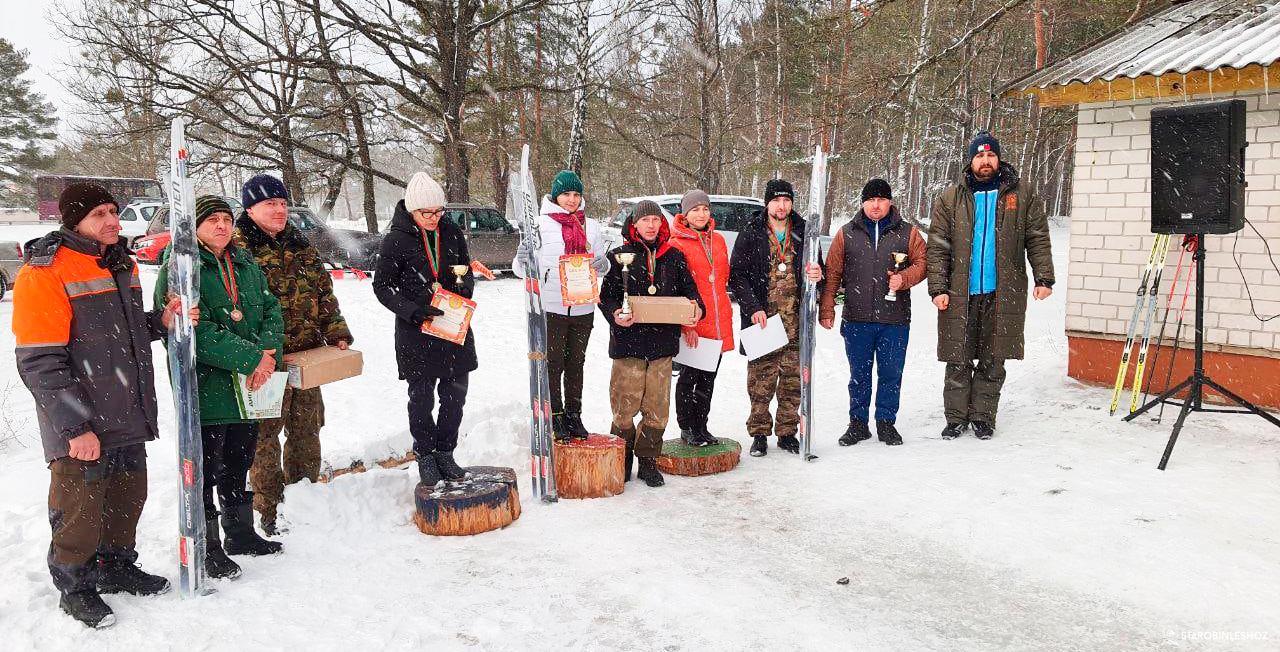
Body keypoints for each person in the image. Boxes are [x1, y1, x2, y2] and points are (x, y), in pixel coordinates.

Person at [13, 182, 192, 628]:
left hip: (125, 410)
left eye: (114, 211)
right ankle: (75, 588)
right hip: (82, 419)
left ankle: (116, 567)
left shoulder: (119, 263)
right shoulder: (46, 271)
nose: (112, 221)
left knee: (126, 497)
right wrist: (76, 427)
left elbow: (121, 334)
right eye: (100, 215)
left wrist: (160, 322)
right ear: (75, 221)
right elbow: (40, 360)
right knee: (79, 507)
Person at [155, 196, 285, 579]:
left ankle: (241, 534)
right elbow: (193, 330)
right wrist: (252, 357)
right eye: (211, 219)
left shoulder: (245, 263)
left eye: (227, 219)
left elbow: (270, 308)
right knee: (207, 470)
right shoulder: (180, 267)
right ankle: (207, 546)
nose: (221, 226)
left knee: (239, 462)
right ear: (194, 226)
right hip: (208, 386)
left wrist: (268, 351)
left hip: (248, 387)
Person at [234, 174, 353, 533]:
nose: (279, 210)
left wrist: (336, 331)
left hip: (307, 356)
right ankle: (266, 507)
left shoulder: (302, 245)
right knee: (265, 436)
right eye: (270, 204)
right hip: (264, 361)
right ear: (250, 209)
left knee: (307, 429)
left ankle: (304, 498)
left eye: (283, 203)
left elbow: (324, 293)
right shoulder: (238, 249)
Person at [926, 132, 1055, 440]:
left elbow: (1037, 236)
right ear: (971, 160)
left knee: (993, 357)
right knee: (957, 355)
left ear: (999, 159)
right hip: (960, 292)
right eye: (980, 156)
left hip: (1003, 290)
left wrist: (1044, 277)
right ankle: (956, 417)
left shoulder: (1021, 194)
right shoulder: (950, 198)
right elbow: (938, 246)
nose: (985, 161)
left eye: (991, 156)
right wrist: (938, 287)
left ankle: (983, 416)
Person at [373, 172, 477, 485]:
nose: (433, 218)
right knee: (421, 399)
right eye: (426, 213)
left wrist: (463, 294)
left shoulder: (452, 232)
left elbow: (466, 271)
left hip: (452, 328)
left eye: (438, 211)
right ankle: (426, 454)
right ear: (412, 210)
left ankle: (446, 451)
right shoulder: (396, 239)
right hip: (416, 332)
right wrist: (414, 311)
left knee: (455, 396)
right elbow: (383, 287)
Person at [600, 200, 704, 486]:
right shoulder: (617, 256)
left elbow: (692, 293)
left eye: (655, 220)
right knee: (624, 408)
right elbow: (606, 297)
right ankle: (621, 461)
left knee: (657, 410)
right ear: (634, 224)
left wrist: (698, 311)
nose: (650, 225)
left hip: (661, 346)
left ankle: (647, 462)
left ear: (661, 223)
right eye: (644, 220)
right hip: (628, 345)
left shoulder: (674, 256)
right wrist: (613, 314)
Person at [819, 179, 926, 446]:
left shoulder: (908, 233)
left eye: (881, 199)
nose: (876, 205)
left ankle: (886, 422)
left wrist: (905, 279)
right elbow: (832, 273)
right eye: (870, 200)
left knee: (891, 373)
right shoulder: (846, 233)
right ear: (863, 203)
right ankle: (858, 423)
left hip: (895, 319)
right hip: (856, 318)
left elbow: (925, 263)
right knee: (859, 375)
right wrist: (827, 308)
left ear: (890, 202)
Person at [728, 179, 824, 458]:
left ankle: (786, 433)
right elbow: (737, 276)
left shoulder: (805, 232)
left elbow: (820, 270)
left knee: (793, 381)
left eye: (786, 200)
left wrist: (819, 275)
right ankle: (759, 434)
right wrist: (753, 307)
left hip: (796, 319)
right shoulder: (752, 231)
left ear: (792, 203)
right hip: (763, 320)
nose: (781, 206)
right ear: (767, 203)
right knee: (761, 381)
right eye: (776, 201)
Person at [512, 170, 609, 440]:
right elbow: (522, 271)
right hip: (552, 305)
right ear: (556, 195)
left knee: (576, 362)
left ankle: (573, 414)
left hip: (583, 306)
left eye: (577, 194)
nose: (572, 199)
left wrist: (604, 264)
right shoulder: (539, 225)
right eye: (566, 194)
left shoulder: (591, 225)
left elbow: (600, 264)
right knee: (553, 363)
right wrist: (522, 259)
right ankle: (555, 415)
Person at [667, 190, 733, 447]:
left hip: (717, 321)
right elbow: (675, 289)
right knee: (688, 380)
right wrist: (686, 324)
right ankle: (687, 427)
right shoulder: (676, 244)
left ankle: (702, 426)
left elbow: (722, 281)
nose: (701, 214)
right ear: (685, 214)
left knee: (708, 379)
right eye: (695, 210)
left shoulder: (718, 241)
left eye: (704, 209)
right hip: (693, 325)